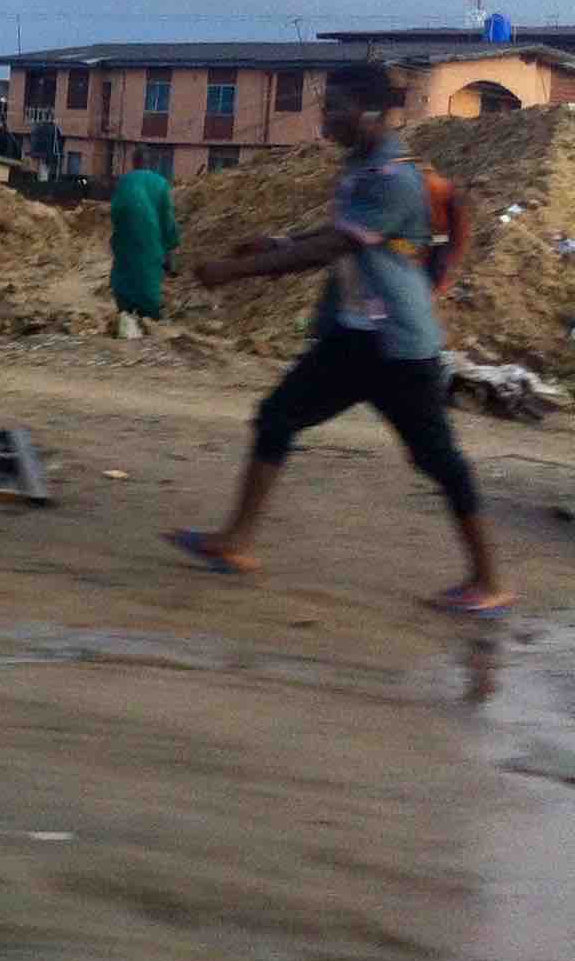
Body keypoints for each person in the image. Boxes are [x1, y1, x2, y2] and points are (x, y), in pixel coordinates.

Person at [170, 61, 511, 615]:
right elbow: (336, 235)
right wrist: (276, 238)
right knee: (277, 417)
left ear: (371, 112)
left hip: (398, 347)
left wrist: (235, 272)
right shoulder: (359, 167)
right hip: (355, 340)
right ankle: (235, 542)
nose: (325, 118)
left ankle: (489, 579)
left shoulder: (393, 178)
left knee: (438, 460)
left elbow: (332, 249)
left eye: (336, 107)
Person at [109, 158, 181, 338]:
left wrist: (117, 237)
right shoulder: (160, 183)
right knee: (147, 273)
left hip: (125, 235)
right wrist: (170, 251)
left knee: (125, 270)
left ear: (134, 162)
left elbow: (115, 210)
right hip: (150, 235)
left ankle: (125, 312)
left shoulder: (124, 181)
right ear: (151, 164)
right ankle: (149, 316)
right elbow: (167, 220)